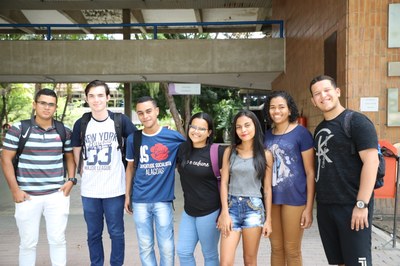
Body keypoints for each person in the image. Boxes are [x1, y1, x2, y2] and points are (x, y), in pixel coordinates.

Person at [309, 75, 379, 266]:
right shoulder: (320, 129)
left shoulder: (357, 122)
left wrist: (362, 204)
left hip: (352, 206)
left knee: (358, 263)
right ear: (313, 101)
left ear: (337, 92)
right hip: (326, 207)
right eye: (317, 94)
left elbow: (371, 162)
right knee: (339, 262)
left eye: (327, 90)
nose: (323, 96)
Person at [1, 88, 75, 266]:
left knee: (58, 240)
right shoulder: (19, 129)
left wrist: (71, 180)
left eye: (51, 104)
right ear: (35, 105)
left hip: (56, 195)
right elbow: (5, 160)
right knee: (27, 243)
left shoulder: (63, 131)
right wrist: (15, 190)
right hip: (27, 196)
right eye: (42, 103)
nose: (46, 107)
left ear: (55, 107)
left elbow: (70, 158)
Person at [71, 80, 136, 266]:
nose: (96, 100)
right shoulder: (81, 123)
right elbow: (76, 148)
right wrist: (81, 169)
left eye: (100, 95)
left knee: (116, 233)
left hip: (114, 190)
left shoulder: (120, 121)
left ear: (108, 97)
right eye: (91, 96)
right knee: (93, 233)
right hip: (89, 191)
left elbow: (136, 141)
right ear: (86, 98)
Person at [124, 96, 185, 266]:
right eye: (141, 113)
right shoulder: (133, 139)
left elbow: (193, 149)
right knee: (145, 246)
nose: (146, 116)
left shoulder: (173, 137)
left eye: (149, 111)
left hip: (163, 201)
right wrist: (127, 196)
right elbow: (130, 168)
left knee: (166, 246)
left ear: (157, 111)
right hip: (140, 200)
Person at [263, 91, 315, 266]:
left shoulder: (302, 134)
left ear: (290, 110)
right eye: (272, 107)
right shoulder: (266, 136)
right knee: (276, 248)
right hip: (272, 200)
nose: (276, 111)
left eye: (281, 107)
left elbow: (310, 172)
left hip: (295, 199)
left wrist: (309, 208)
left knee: (292, 249)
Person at [217, 109, 273, 266]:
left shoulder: (265, 154)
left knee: (249, 261)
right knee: (225, 262)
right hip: (231, 207)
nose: (243, 130)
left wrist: (268, 220)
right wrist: (224, 212)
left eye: (247, 125)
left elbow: (267, 189)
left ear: (255, 125)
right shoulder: (230, 151)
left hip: (253, 209)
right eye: (239, 127)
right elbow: (224, 183)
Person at [176, 112, 225, 266]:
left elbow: (227, 183)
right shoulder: (183, 149)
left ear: (209, 132)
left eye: (202, 129)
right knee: (183, 251)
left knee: (209, 254)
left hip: (210, 211)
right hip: (189, 211)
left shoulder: (218, 152)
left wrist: (225, 212)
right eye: (193, 127)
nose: (196, 131)